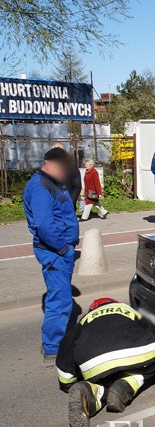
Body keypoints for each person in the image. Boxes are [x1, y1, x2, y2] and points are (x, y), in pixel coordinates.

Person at [56, 298, 155, 427]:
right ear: (116, 303)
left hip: (96, 362)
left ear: (93, 309)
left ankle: (89, 392)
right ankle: (123, 388)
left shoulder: (85, 319)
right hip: (136, 353)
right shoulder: (129, 310)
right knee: (149, 367)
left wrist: (67, 383)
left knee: (105, 379)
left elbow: (65, 349)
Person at [23, 147, 80, 362]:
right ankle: (53, 348)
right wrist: (64, 249)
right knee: (60, 300)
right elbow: (45, 225)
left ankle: (58, 340)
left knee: (61, 297)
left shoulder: (52, 183)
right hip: (54, 251)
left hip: (59, 250)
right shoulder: (40, 187)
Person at [51, 142, 82, 209]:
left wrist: (69, 202)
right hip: (51, 206)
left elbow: (77, 187)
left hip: (67, 206)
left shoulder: (71, 166)